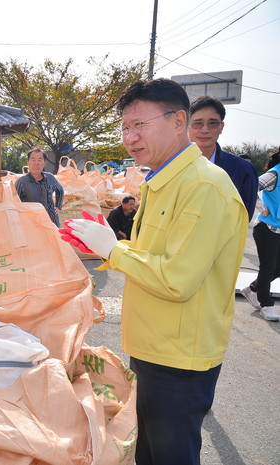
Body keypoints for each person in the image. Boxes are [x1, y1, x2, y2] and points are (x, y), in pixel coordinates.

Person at [61, 78, 247, 465]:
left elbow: (177, 280)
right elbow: (154, 257)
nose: (130, 137)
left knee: (170, 455)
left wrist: (113, 248)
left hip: (179, 356)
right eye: (125, 127)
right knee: (149, 452)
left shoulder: (203, 186)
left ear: (178, 121)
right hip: (153, 347)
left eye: (140, 125)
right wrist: (108, 247)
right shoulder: (162, 182)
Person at [189, 95, 258, 221]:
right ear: (187, 125)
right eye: (198, 123)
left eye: (212, 123)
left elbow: (243, 219)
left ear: (221, 127)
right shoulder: (170, 166)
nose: (205, 130)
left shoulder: (243, 170)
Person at [240, 147, 280, 322]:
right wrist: (262, 208)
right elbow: (251, 187)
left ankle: (252, 289)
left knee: (277, 268)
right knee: (268, 267)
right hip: (267, 229)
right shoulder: (275, 174)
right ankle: (266, 304)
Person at [14, 147, 64, 226]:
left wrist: (58, 206)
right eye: (33, 159)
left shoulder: (50, 178)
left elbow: (60, 190)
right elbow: (15, 204)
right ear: (28, 162)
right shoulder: (21, 182)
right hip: (32, 225)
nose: (36, 163)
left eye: (40, 160)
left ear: (44, 163)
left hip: (52, 223)